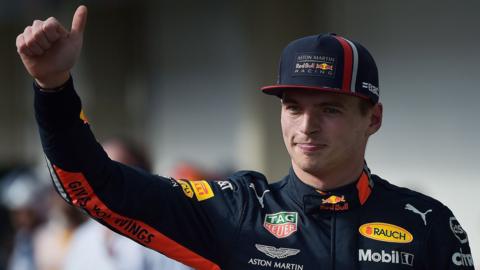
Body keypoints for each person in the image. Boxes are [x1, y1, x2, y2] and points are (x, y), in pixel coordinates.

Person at [16, 5, 475, 270]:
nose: (306, 126)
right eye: (293, 108)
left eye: (329, 110)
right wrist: (54, 88)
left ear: (372, 118)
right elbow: (95, 188)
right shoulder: (239, 210)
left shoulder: (428, 225)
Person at [63, 137, 192, 270]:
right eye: (99, 172)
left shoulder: (168, 236)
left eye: (116, 172)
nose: (106, 182)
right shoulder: (82, 239)